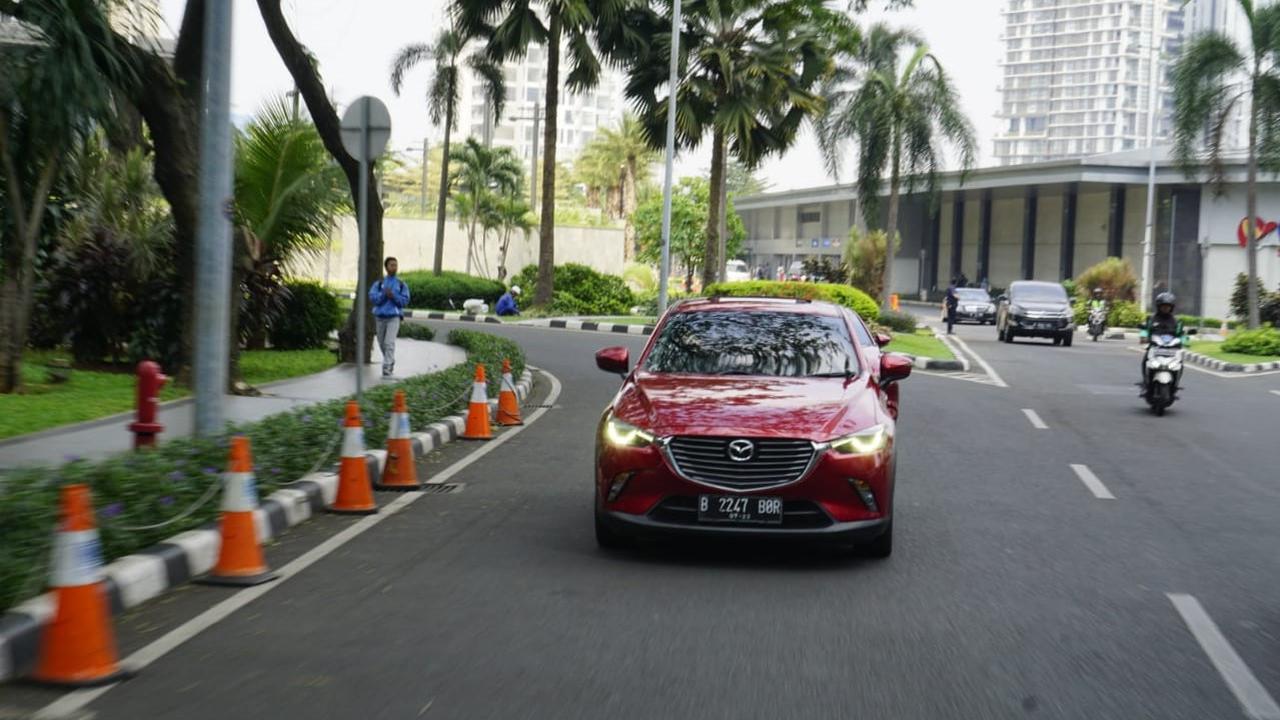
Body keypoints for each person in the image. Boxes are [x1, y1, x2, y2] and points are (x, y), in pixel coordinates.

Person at [369, 257, 410, 377]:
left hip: (394, 317)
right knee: (381, 342)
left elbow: (405, 301)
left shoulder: (401, 284)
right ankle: (390, 360)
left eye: (396, 265)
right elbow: (373, 298)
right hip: (380, 317)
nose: (394, 267)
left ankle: (386, 367)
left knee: (389, 343)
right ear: (386, 267)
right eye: (392, 265)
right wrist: (383, 295)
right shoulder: (379, 284)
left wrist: (393, 296)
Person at [1138, 292, 1185, 393]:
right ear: (1159, 306)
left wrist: (1184, 341)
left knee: (1180, 363)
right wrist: (1144, 337)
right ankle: (1146, 381)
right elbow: (1145, 329)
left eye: (1168, 306)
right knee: (1145, 360)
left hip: (1171, 348)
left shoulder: (1176, 321)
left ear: (1171, 307)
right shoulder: (1151, 319)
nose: (1165, 308)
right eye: (1163, 306)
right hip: (1155, 347)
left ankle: (1175, 383)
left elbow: (1181, 334)